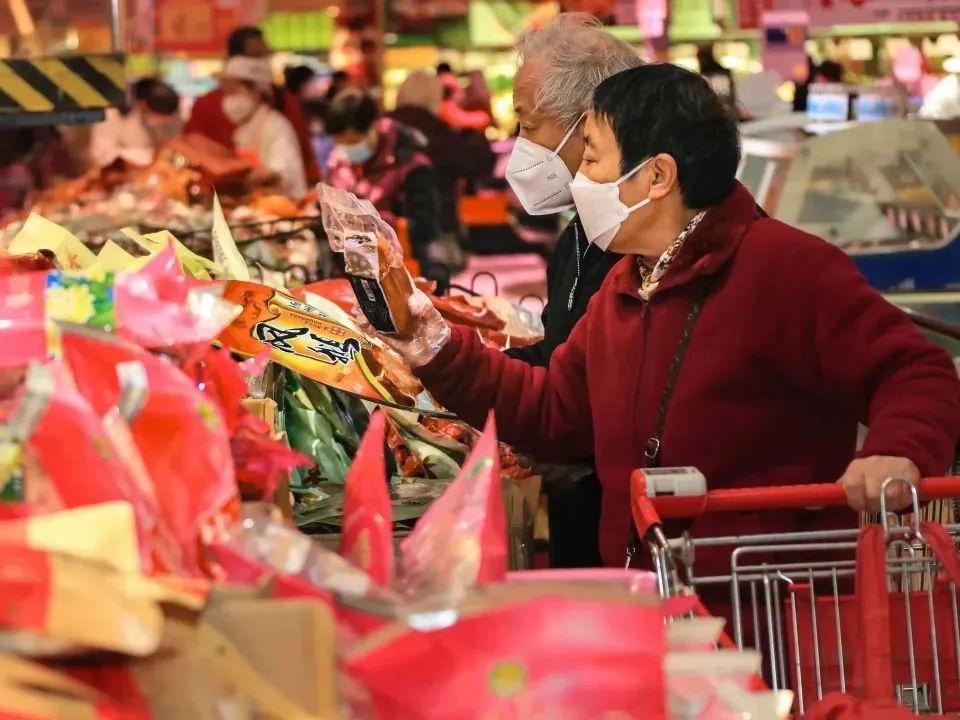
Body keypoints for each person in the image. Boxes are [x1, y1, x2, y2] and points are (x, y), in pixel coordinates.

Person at [373, 64, 960, 583]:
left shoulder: (784, 268)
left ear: (655, 177)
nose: (579, 178)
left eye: (594, 158)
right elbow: (553, 410)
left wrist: (896, 450)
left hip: (773, 610)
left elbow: (917, 369)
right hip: (655, 597)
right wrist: (429, 340)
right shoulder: (626, 285)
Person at [502, 13, 643, 567]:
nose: (519, 145)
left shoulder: (642, 243)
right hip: (580, 514)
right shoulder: (578, 233)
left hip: (629, 527)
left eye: (529, 124)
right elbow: (565, 360)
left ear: (592, 126)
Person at [325, 90, 440, 276]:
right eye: (341, 143)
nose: (347, 150)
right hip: (351, 272)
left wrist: (372, 223)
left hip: (403, 272)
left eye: (354, 141)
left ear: (375, 125)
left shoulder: (410, 161)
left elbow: (425, 225)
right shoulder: (339, 161)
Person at [186, 26, 319, 184]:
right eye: (254, 57)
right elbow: (192, 148)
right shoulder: (206, 105)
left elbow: (297, 161)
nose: (262, 63)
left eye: (264, 56)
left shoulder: (284, 107)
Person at [390, 70, 495, 249]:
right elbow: (471, 165)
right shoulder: (440, 131)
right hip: (434, 230)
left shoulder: (382, 128)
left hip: (385, 230)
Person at [217, 56, 306, 200]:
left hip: (284, 207)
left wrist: (268, 175)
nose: (228, 99)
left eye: (233, 91)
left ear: (255, 91)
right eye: (226, 93)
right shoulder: (245, 127)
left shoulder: (275, 125)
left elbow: (286, 172)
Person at [89, 77, 181, 168]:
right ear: (143, 105)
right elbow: (100, 156)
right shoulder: (112, 113)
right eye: (158, 118)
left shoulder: (148, 115)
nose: (158, 123)